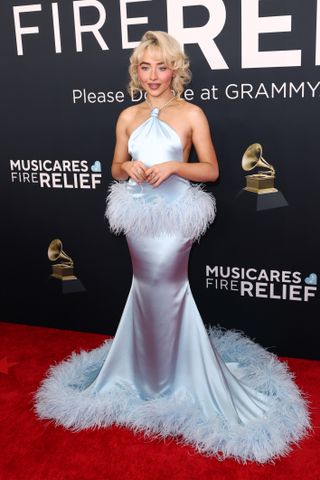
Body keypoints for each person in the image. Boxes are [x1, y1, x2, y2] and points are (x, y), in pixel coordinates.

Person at [35, 31, 310, 463]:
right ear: (136, 71)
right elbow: (115, 165)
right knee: (144, 287)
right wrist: (130, 166)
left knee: (168, 286)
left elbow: (213, 170)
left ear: (175, 69)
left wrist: (174, 166)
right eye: (145, 67)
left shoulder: (192, 114)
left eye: (161, 66)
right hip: (139, 217)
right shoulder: (127, 116)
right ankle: (144, 369)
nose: (153, 76)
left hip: (176, 216)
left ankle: (178, 375)